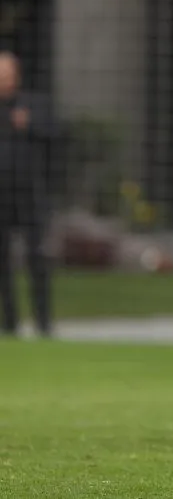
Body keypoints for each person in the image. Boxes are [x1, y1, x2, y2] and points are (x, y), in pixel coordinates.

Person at [0, 51, 55, 338]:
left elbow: (57, 134)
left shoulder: (33, 105)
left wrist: (29, 124)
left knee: (37, 258)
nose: (4, 80)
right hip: (1, 198)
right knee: (2, 262)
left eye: (8, 74)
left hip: (29, 194)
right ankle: (9, 322)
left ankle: (43, 322)